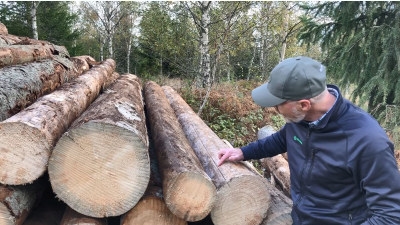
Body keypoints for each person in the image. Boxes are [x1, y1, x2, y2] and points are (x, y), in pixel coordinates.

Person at [217, 56, 400, 225]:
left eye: (277, 104)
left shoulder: (366, 140)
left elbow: (390, 215)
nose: (274, 109)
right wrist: (242, 152)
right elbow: (281, 139)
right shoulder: (302, 119)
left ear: (304, 104)